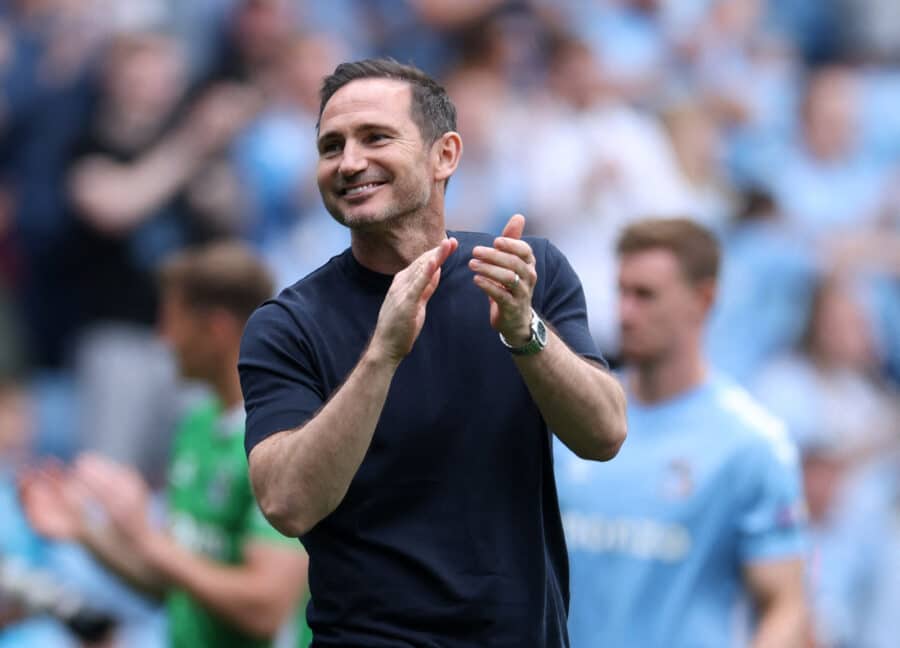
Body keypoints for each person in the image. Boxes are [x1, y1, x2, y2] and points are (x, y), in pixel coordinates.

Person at [238, 58, 627, 646]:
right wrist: (382, 355)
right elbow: (288, 504)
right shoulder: (288, 324)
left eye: (375, 138)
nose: (349, 162)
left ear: (444, 155)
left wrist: (526, 332)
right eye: (331, 145)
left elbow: (605, 434)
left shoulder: (526, 273)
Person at [20, 242, 311, 648]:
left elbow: (266, 609)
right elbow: (175, 583)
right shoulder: (197, 425)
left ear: (216, 330)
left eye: (171, 321)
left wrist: (146, 539)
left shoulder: (285, 439)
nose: (163, 340)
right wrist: (84, 531)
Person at [554, 218, 808, 647]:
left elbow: (786, 604)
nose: (625, 313)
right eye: (621, 292)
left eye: (645, 295)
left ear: (703, 300)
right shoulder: (567, 416)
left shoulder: (750, 443)